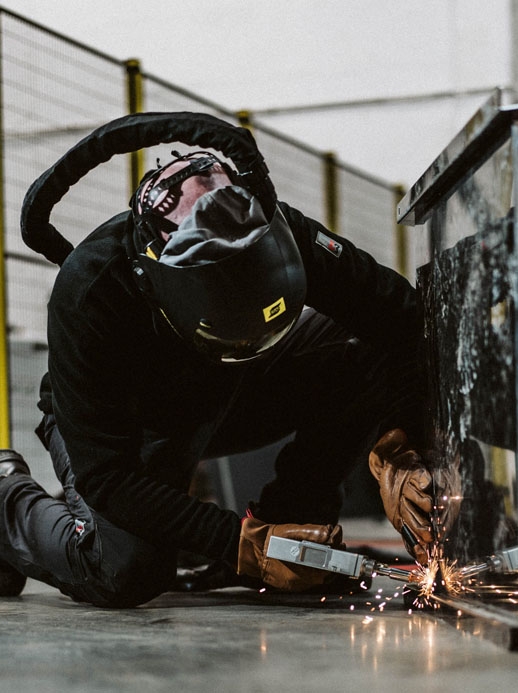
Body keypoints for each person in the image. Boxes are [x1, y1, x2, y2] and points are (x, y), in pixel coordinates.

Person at [0, 112, 448, 607]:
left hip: (225, 392)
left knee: (360, 346)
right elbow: (108, 478)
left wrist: (402, 442)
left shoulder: (276, 230)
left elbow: (401, 315)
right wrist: (237, 543)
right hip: (133, 433)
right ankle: (6, 501)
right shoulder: (89, 293)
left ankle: (296, 519)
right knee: (126, 570)